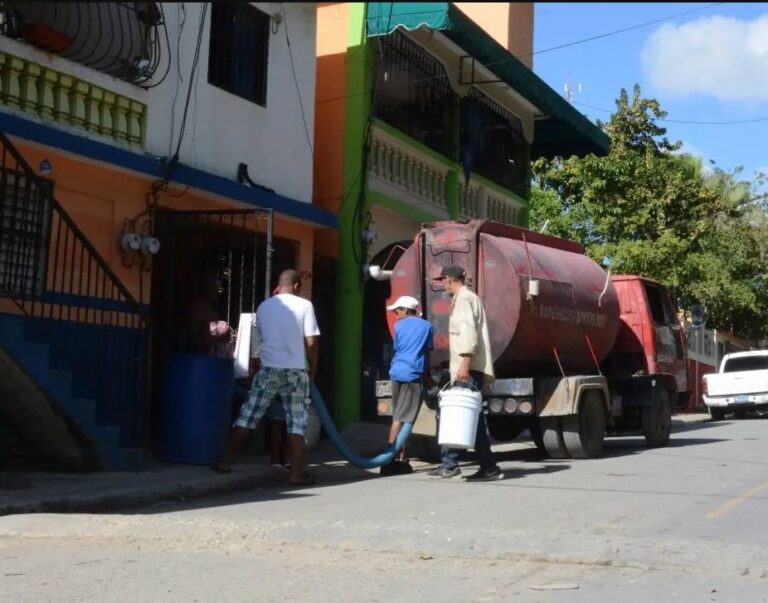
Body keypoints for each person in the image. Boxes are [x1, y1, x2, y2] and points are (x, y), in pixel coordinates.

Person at [212, 269, 319, 486]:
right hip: (295, 371)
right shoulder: (305, 306)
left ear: (279, 286)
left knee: (248, 416)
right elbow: (311, 343)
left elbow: (259, 342)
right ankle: (295, 475)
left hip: (268, 368)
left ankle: (225, 462)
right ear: (297, 286)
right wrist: (313, 369)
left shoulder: (263, 307)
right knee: (296, 423)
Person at [428, 264, 503, 482]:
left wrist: (464, 364)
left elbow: (468, 333)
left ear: (450, 280)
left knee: (463, 417)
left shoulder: (463, 299)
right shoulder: (467, 298)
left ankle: (453, 465)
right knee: (471, 418)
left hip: (466, 369)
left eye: (443, 281)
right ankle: (483, 466)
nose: (443, 285)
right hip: (468, 368)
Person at [379, 295, 433, 477]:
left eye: (397, 311)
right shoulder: (427, 327)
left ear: (406, 310)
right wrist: (427, 377)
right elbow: (426, 354)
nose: (395, 314)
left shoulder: (398, 327)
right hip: (412, 375)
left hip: (396, 372)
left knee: (399, 416)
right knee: (404, 419)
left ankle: (401, 458)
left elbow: (399, 349)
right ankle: (390, 460)